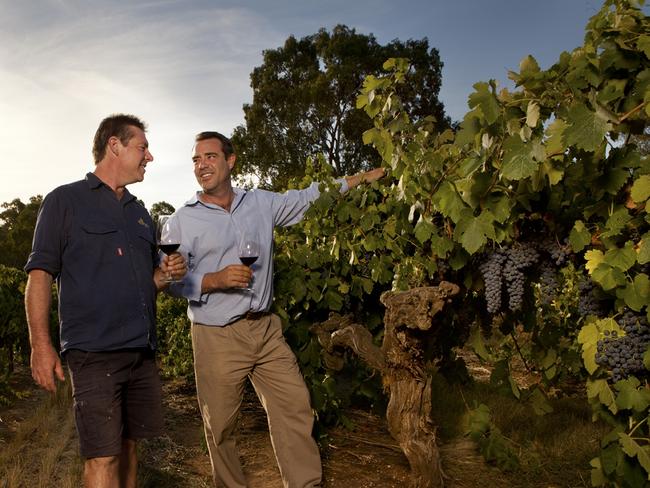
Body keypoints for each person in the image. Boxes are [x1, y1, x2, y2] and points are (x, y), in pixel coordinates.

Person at [167, 131, 384, 488]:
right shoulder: (183, 220)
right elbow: (172, 282)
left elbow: (311, 197)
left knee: (295, 408)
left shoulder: (260, 203)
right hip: (217, 334)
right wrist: (214, 280)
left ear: (230, 161)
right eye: (196, 159)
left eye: (209, 157)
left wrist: (358, 179)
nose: (201, 165)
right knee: (220, 426)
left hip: (266, 329)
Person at [24, 114, 186, 488]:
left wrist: (165, 274)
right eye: (143, 147)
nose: (150, 157)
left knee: (129, 449)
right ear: (115, 145)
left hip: (141, 353)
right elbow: (40, 275)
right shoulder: (64, 201)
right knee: (102, 455)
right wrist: (40, 346)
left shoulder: (140, 214)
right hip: (94, 353)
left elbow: (148, 282)